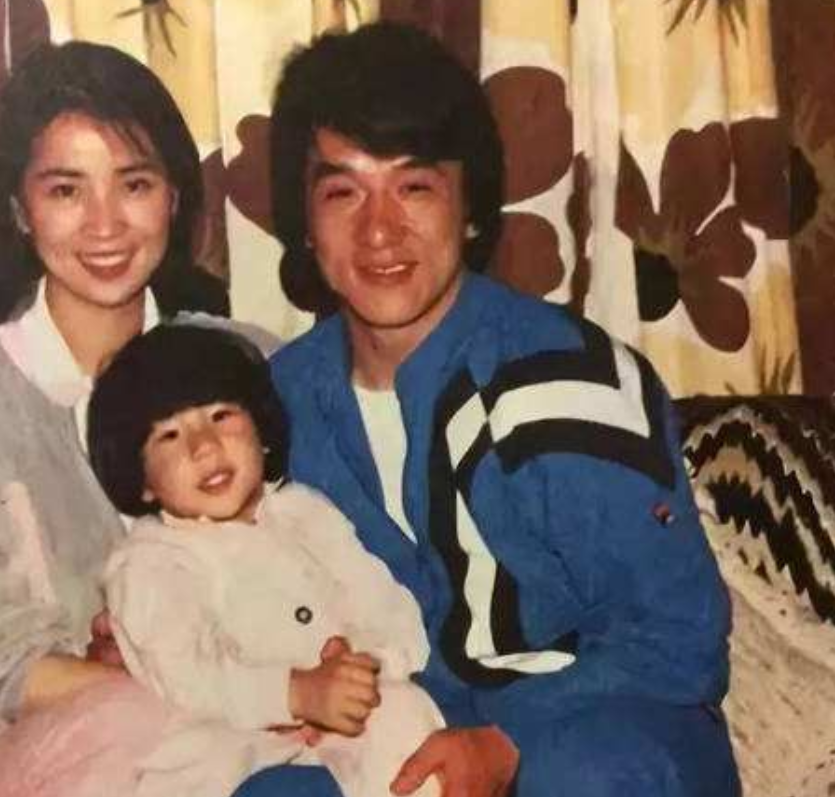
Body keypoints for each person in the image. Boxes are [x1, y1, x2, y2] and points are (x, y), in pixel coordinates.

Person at [260, 21, 741, 797]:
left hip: (602, 724)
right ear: (304, 223)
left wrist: (509, 738)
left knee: (581, 776)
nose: (378, 229)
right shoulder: (272, 405)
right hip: (400, 731)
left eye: (414, 187)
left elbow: (678, 633)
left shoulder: (568, 376)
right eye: (342, 192)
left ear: (471, 208)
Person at [0, 39, 227, 795]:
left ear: (174, 196)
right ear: (18, 211)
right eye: (66, 190)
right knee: (134, 729)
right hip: (24, 757)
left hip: (231, 738)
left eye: (134, 184)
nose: (105, 224)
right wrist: (185, 685)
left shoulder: (243, 366)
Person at [86, 324, 444, 797]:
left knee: (405, 716)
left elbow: (387, 607)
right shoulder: (148, 561)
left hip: (345, 727)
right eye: (169, 435)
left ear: (261, 430)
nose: (204, 446)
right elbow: (188, 674)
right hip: (235, 752)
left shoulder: (306, 512)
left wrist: (361, 668)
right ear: (143, 480)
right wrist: (296, 694)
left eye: (220, 416)